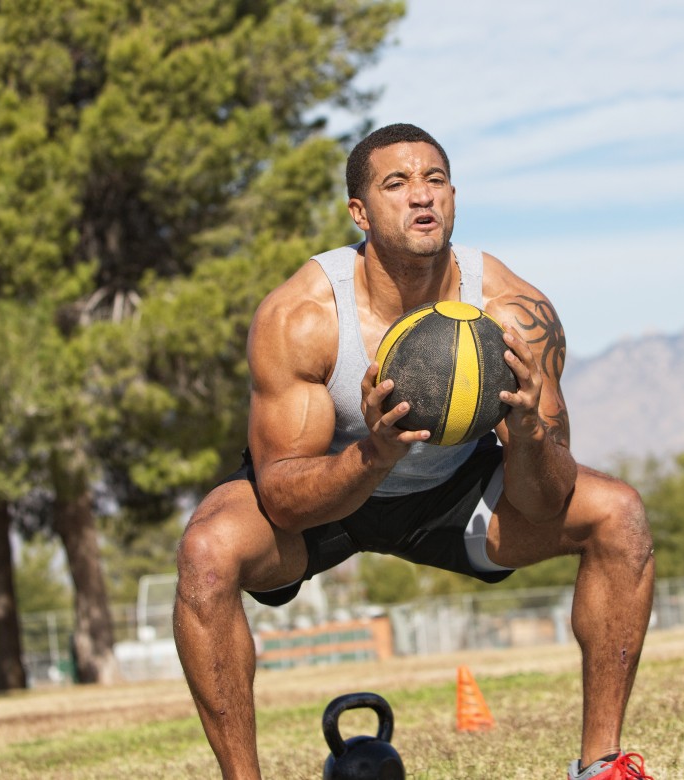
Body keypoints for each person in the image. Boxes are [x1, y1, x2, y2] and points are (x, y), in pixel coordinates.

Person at [172, 123, 657, 780]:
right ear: (360, 211)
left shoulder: (516, 314)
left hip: (455, 494)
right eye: (396, 184)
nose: (420, 197)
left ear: (454, 195)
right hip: (330, 493)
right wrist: (374, 453)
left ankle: (602, 765)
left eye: (434, 180)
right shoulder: (305, 315)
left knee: (619, 514)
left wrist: (526, 433)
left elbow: (547, 500)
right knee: (206, 551)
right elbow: (283, 498)